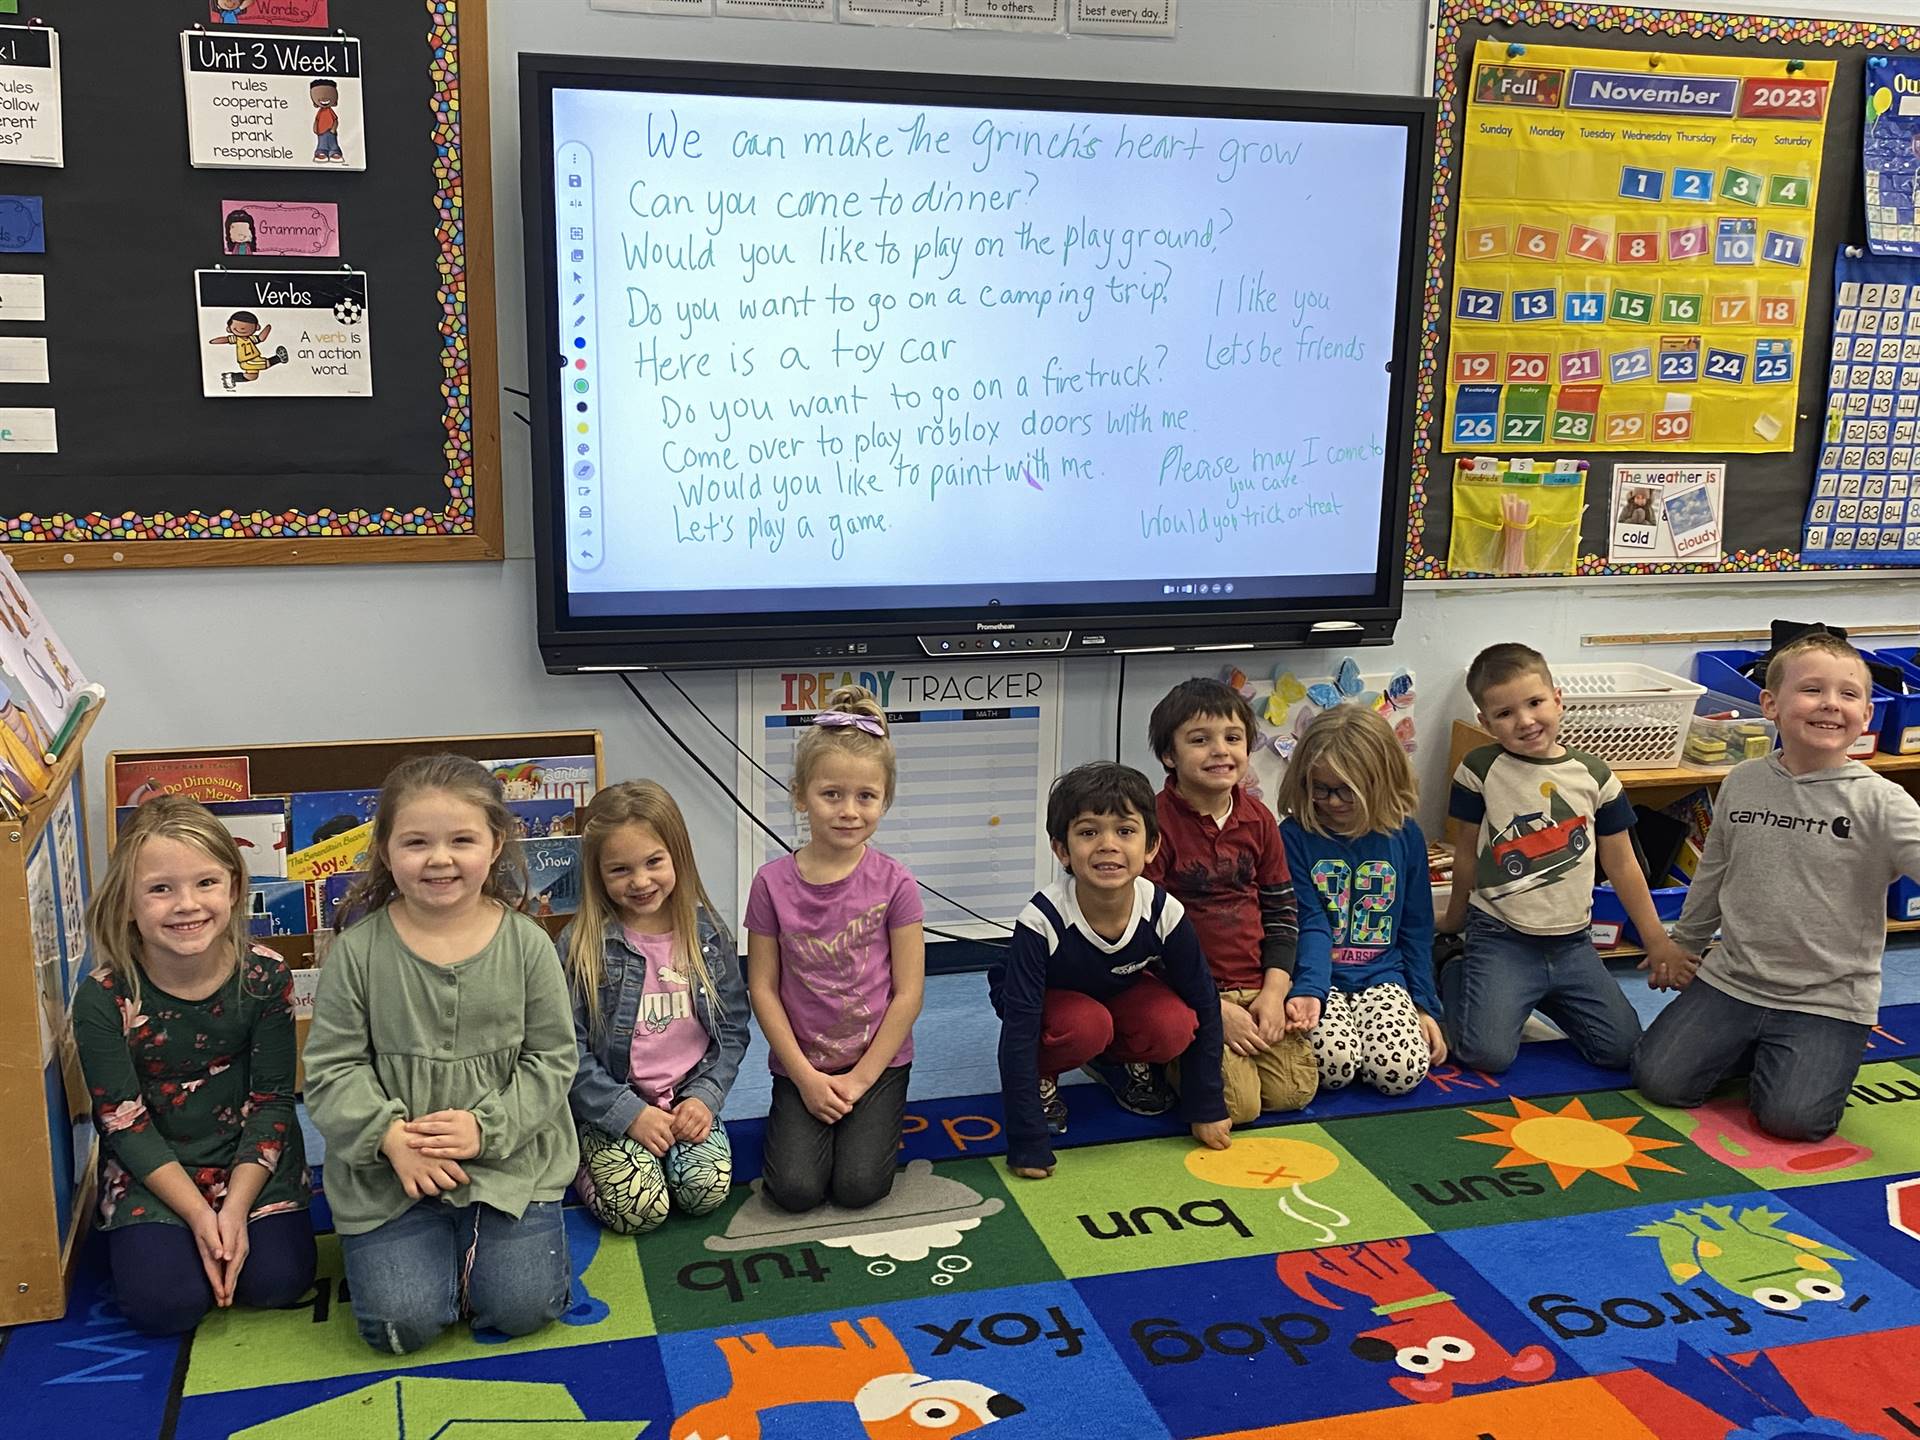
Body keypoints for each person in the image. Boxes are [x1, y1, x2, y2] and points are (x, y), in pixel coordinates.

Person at [304, 754, 578, 1355]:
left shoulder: (529, 945)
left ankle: (477, 1261)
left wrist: (488, 1130)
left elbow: (553, 1060)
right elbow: (331, 1069)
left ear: (495, 843)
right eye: (416, 842)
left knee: (523, 1309)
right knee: (401, 1329)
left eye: (461, 840)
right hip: (390, 1171)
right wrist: (390, 1138)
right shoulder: (357, 952)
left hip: (508, 1164)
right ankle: (437, 1260)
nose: (439, 859)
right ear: (385, 849)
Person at [1633, 632, 1920, 1140]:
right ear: (1770, 704)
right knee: (1660, 1081)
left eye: (1849, 695)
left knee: (1794, 1121)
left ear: (1868, 716)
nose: (1831, 704)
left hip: (1828, 997)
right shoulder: (1743, 780)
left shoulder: (1885, 802)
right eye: (1812, 690)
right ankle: (1754, 1047)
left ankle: (1791, 1053)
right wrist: (1686, 945)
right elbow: (1714, 871)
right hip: (1735, 980)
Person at [71, 797, 313, 1336]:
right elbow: (123, 1121)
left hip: (249, 1157)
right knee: (166, 1305)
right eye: (161, 889)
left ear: (232, 886)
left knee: (277, 1282)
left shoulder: (265, 977)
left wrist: (236, 1210)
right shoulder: (103, 998)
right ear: (127, 903)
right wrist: (204, 1218)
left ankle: (234, 1223)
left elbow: (273, 1099)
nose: (187, 905)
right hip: (155, 1162)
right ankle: (175, 1234)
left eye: (205, 883)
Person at [1438, 643, 1688, 1073]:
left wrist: (1656, 939)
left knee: (1623, 1050)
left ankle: (1540, 994)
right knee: (1487, 1054)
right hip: (1500, 937)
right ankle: (1454, 966)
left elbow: (1624, 864)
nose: (1525, 721)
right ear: (1486, 722)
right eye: (1505, 714)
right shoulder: (1479, 768)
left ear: (1557, 698)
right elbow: (1465, 853)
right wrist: (1454, 919)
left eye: (1534, 703)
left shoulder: (1595, 776)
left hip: (1573, 944)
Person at [992, 761, 1231, 1178]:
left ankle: (1114, 1063)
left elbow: (1205, 1002)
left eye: (1125, 831)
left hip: (1115, 990)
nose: (1107, 845)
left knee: (1174, 1022)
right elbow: (1019, 1028)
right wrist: (1027, 1139)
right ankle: (1045, 1074)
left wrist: (1206, 1105)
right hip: (1052, 1006)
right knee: (1085, 1025)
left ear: (1151, 845)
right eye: (1088, 832)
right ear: (1061, 850)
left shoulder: (1164, 910)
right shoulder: (1041, 919)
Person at [745, 685, 925, 1212]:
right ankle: (810, 1111)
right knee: (795, 1191)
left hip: (878, 1062)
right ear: (800, 794)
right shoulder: (771, 883)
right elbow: (763, 987)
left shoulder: (895, 883)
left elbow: (909, 993)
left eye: (865, 796)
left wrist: (864, 1078)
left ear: (884, 799)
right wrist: (804, 1077)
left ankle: (863, 1116)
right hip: (803, 1064)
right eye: (831, 794)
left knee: (859, 1188)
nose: (849, 811)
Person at [561, 780, 747, 1234]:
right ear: (598, 874)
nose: (640, 881)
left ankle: (664, 1147)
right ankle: (585, 1156)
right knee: (640, 1212)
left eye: (653, 862)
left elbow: (732, 1029)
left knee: (704, 1191)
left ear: (677, 856)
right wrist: (628, 1114)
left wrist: (704, 1098)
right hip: (610, 1101)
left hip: (685, 1097)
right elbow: (567, 1050)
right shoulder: (581, 944)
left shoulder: (707, 933)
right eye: (620, 869)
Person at [1143, 677, 1315, 1123]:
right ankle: (1144, 1057)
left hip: (1255, 986)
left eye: (1233, 738)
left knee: (1293, 1093)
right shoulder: (1154, 824)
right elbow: (1146, 938)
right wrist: (1212, 1008)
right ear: (1169, 755)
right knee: (1238, 1108)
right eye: (1200, 740)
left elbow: (1281, 912)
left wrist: (1275, 992)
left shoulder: (1258, 818)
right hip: (1191, 989)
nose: (1221, 751)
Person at [1276, 706, 1447, 1096]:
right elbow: (1306, 922)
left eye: (1347, 791)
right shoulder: (1293, 837)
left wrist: (1424, 1005)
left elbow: (1416, 926)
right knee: (1331, 1066)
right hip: (1318, 979)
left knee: (1401, 1072)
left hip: (1383, 976)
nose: (1333, 802)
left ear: (1381, 782)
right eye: (1321, 788)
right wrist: (1310, 991)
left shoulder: (1404, 836)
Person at [312, 80, 343, 163]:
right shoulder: (320, 112)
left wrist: (333, 128)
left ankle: (334, 152)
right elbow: (317, 120)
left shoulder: (330, 111)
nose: (323, 98)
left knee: (333, 143)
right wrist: (315, 128)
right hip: (321, 132)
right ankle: (322, 152)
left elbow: (335, 120)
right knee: (321, 143)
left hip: (330, 131)